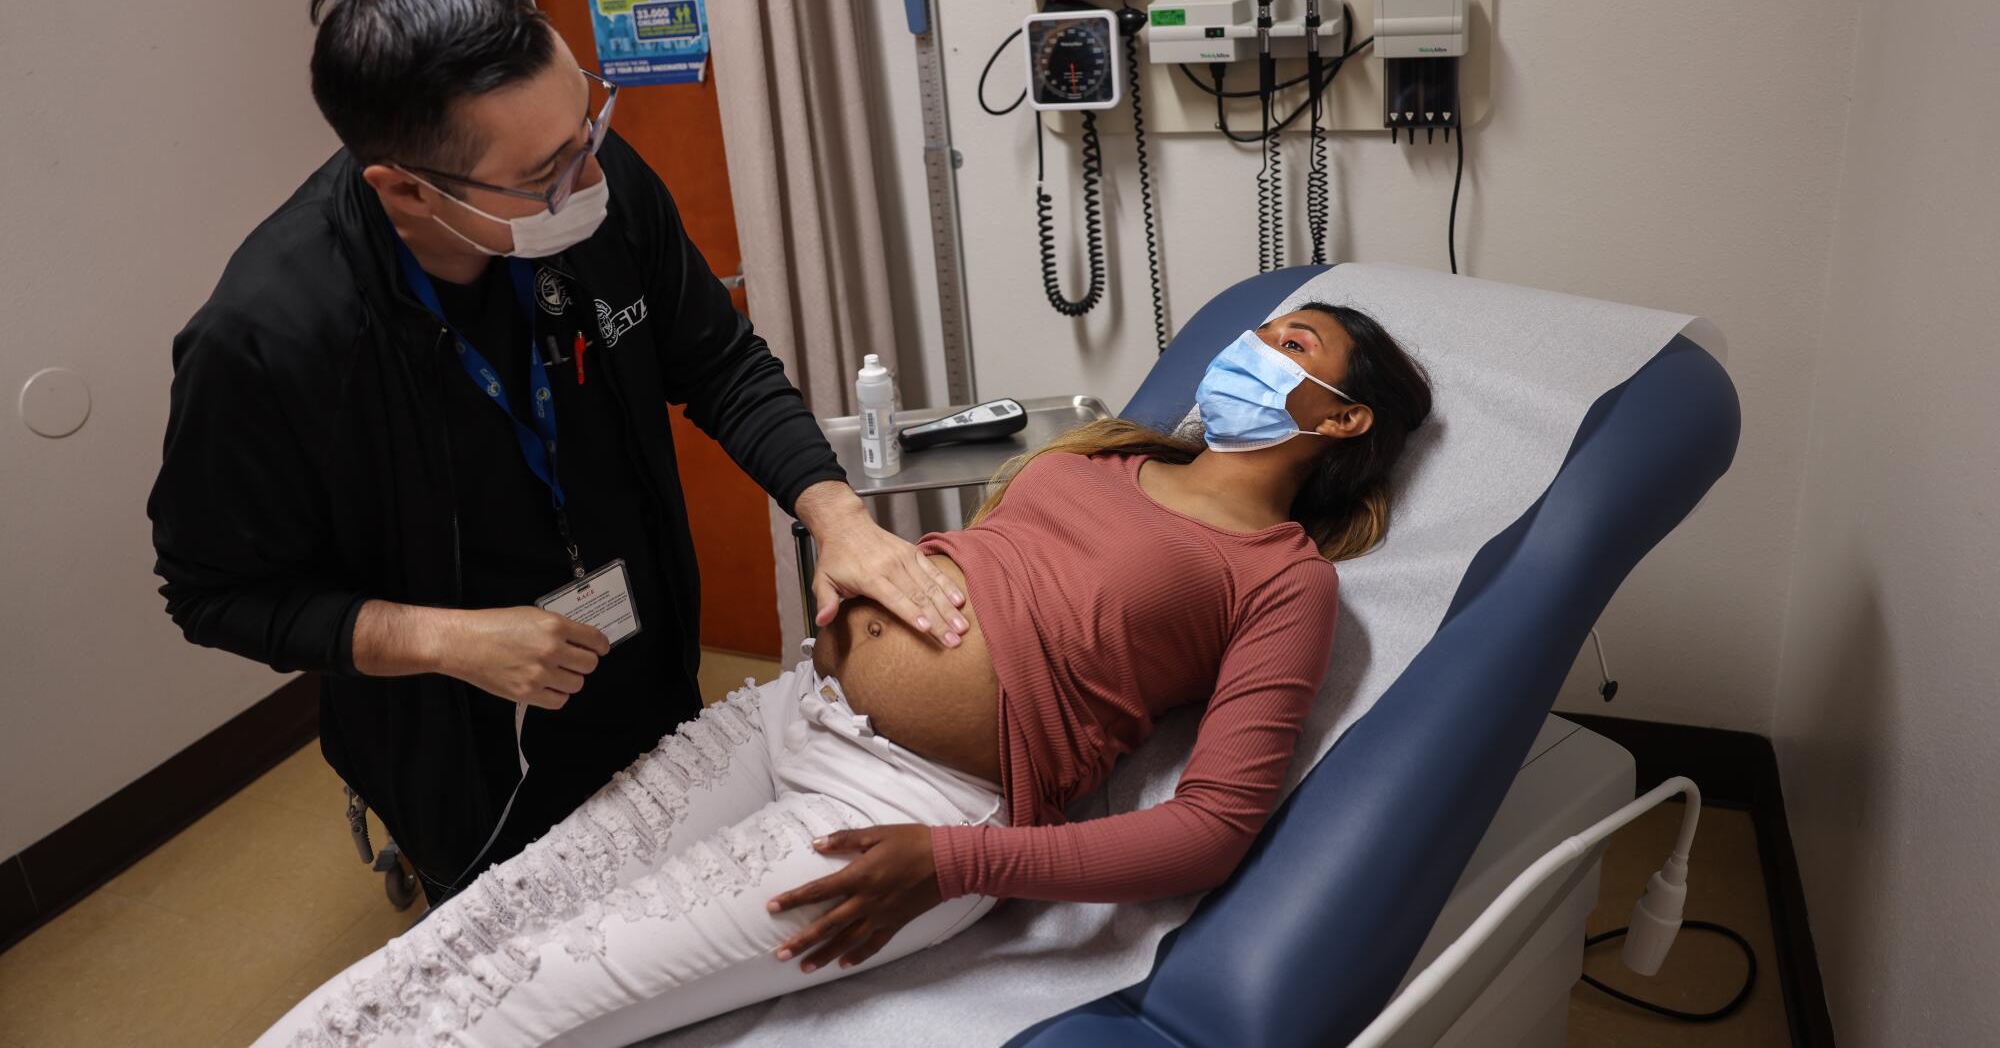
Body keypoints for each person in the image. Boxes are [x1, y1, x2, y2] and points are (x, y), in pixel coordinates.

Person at [253, 305, 1434, 1047]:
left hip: (909, 813)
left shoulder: (1282, 578)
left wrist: (958, 862)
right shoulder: (1115, 453)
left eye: (1290, 345)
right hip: (787, 713)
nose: (1247, 347)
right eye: (1257, 331)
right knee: (491, 917)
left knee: (539, 994)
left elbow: (1211, 826)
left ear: (1339, 420)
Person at [148, 0, 966, 908]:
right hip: (462, 735)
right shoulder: (269, 338)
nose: (590, 179)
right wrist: (439, 639)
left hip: (641, 657)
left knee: (684, 895)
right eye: (544, 176)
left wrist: (839, 517)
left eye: (588, 133)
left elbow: (719, 364)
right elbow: (213, 594)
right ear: (407, 191)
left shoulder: (591, 184)